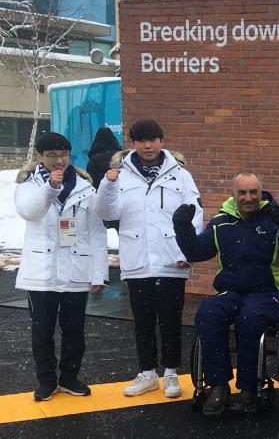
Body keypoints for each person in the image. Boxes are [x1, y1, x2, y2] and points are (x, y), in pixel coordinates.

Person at [172, 172, 279, 416]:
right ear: (233, 194)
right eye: (242, 193)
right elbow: (198, 251)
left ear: (260, 192)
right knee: (208, 314)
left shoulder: (274, 218)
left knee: (250, 318)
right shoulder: (221, 221)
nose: (248, 198)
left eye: (253, 192)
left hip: (266, 291)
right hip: (230, 290)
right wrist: (182, 228)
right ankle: (218, 386)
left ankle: (248, 387)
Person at [95, 119, 203, 399]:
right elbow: (107, 214)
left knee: (171, 320)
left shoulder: (180, 174)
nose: (148, 145)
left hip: (172, 259)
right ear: (132, 143)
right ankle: (147, 373)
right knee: (142, 320)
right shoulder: (120, 174)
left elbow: (195, 214)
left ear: (161, 141)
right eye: (141, 140)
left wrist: (185, 251)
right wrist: (107, 185)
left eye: (153, 139)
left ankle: (170, 374)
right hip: (137, 259)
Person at [14, 132, 108, 401]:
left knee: (74, 330)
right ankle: (46, 381)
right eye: (52, 156)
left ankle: (69, 377)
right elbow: (28, 211)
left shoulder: (85, 187)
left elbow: (96, 233)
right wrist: (50, 188)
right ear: (40, 158)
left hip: (76, 269)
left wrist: (98, 272)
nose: (59, 161)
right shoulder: (28, 185)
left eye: (63, 155)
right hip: (41, 271)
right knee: (42, 330)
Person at [86, 127, 123, 231]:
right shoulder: (120, 158)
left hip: (100, 199)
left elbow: (90, 180)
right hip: (118, 198)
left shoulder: (94, 159)